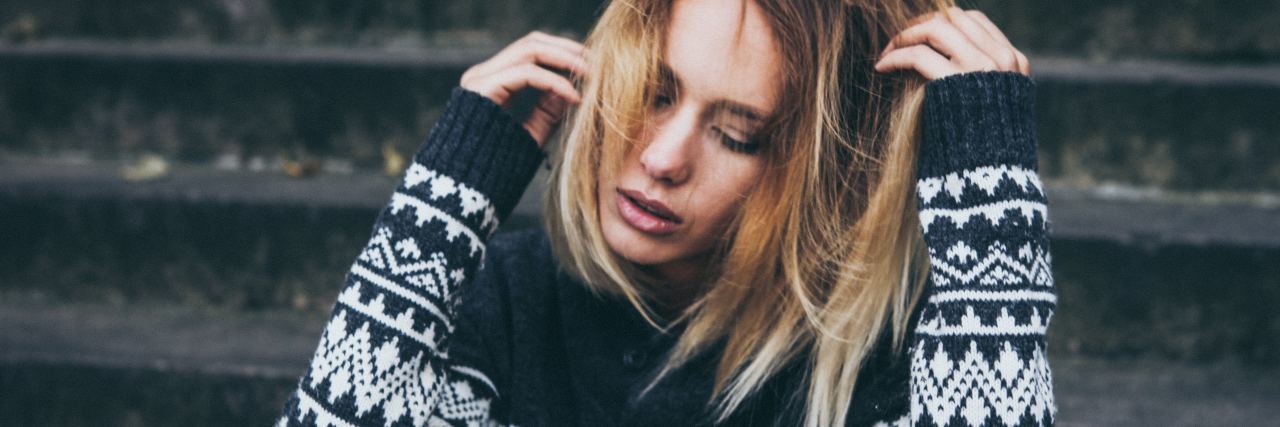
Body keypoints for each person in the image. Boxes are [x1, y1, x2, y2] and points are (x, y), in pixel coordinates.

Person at [277, 0, 1055, 425]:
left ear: (822, 182)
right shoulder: (507, 302)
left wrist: (993, 242)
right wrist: (441, 197)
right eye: (654, 92)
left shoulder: (886, 360)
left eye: (737, 135)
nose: (662, 157)